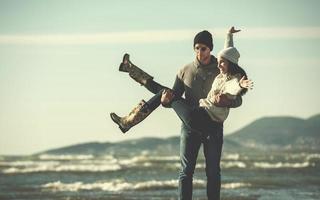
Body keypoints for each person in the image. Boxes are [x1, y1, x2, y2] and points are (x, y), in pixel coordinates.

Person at [110, 27, 253, 200]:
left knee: (213, 172)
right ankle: (131, 72)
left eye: (204, 48)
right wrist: (164, 102)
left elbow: (237, 98)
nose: (200, 52)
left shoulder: (221, 67)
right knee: (186, 172)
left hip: (213, 127)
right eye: (197, 48)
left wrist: (227, 101)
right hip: (190, 125)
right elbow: (172, 98)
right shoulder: (185, 70)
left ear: (211, 49)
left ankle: (131, 78)